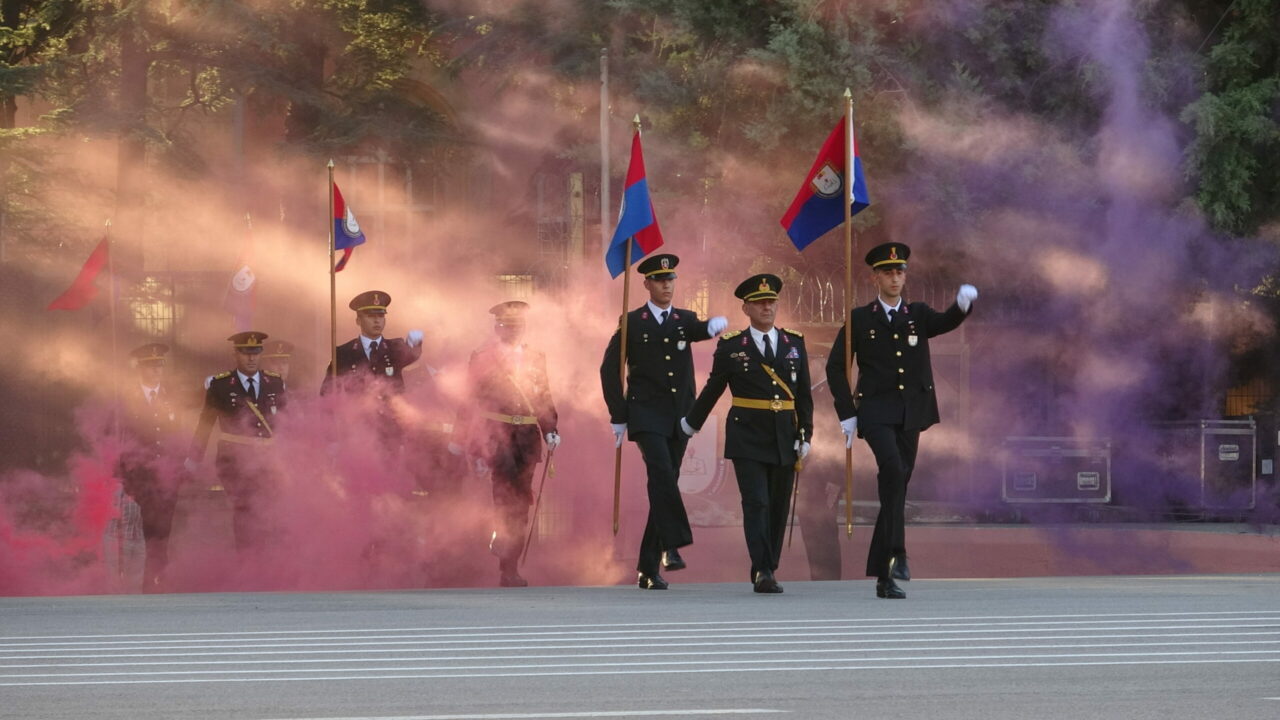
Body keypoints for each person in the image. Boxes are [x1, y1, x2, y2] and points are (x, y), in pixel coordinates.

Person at [825, 242, 977, 599]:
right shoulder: (860, 319)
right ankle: (898, 554)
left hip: (912, 412)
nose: (895, 277)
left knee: (895, 488)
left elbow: (944, 323)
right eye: (888, 272)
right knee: (892, 470)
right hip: (876, 412)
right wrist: (847, 413)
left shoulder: (917, 313)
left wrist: (962, 306)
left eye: (900, 272)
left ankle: (884, 575)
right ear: (875, 277)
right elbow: (836, 368)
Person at [600, 253, 728, 590]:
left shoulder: (684, 318)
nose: (666, 285)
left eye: (670, 280)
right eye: (659, 280)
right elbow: (609, 370)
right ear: (646, 284)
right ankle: (672, 545)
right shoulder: (632, 322)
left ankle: (647, 566)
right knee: (660, 472)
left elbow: (698, 329)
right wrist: (618, 415)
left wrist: (711, 325)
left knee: (666, 481)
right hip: (645, 415)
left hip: (679, 417)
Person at [682, 274, 813, 594]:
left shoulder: (794, 343)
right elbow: (714, 388)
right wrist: (689, 424)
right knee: (756, 502)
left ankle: (770, 564)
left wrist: (806, 434)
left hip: (784, 434)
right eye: (760, 303)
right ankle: (762, 570)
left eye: (772, 302)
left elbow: (804, 395)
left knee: (779, 505)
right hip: (747, 436)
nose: (768, 307)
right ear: (747, 307)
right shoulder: (731, 346)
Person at [457, 301, 559, 587]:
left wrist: (550, 428)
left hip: (526, 437)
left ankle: (508, 560)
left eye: (518, 325)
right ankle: (505, 557)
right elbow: (470, 401)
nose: (513, 330)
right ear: (496, 327)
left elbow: (543, 395)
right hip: (497, 433)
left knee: (522, 500)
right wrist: (465, 440)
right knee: (504, 496)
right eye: (507, 325)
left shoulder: (536, 357)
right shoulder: (482, 357)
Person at [185, 331, 288, 554]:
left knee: (268, 509)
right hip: (234, 460)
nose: (251, 358)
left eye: (255, 352)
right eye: (245, 353)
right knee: (245, 508)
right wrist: (193, 459)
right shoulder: (220, 385)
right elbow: (206, 423)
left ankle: (269, 562)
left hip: (267, 460)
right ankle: (247, 560)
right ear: (235, 354)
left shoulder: (274, 383)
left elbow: (285, 421)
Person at [118, 342, 182, 591]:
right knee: (139, 529)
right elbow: (115, 439)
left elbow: (178, 435)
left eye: (159, 366)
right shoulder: (125, 399)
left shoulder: (171, 397)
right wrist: (121, 475)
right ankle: (136, 577)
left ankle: (157, 577)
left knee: (163, 529)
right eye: (150, 366)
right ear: (140, 369)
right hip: (138, 476)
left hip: (166, 476)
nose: (156, 371)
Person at [321, 291, 423, 394]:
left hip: (393, 408)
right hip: (356, 409)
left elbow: (412, 354)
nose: (377, 321)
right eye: (370, 316)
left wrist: (416, 340)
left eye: (380, 316)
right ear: (358, 321)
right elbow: (327, 391)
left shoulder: (395, 347)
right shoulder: (343, 353)